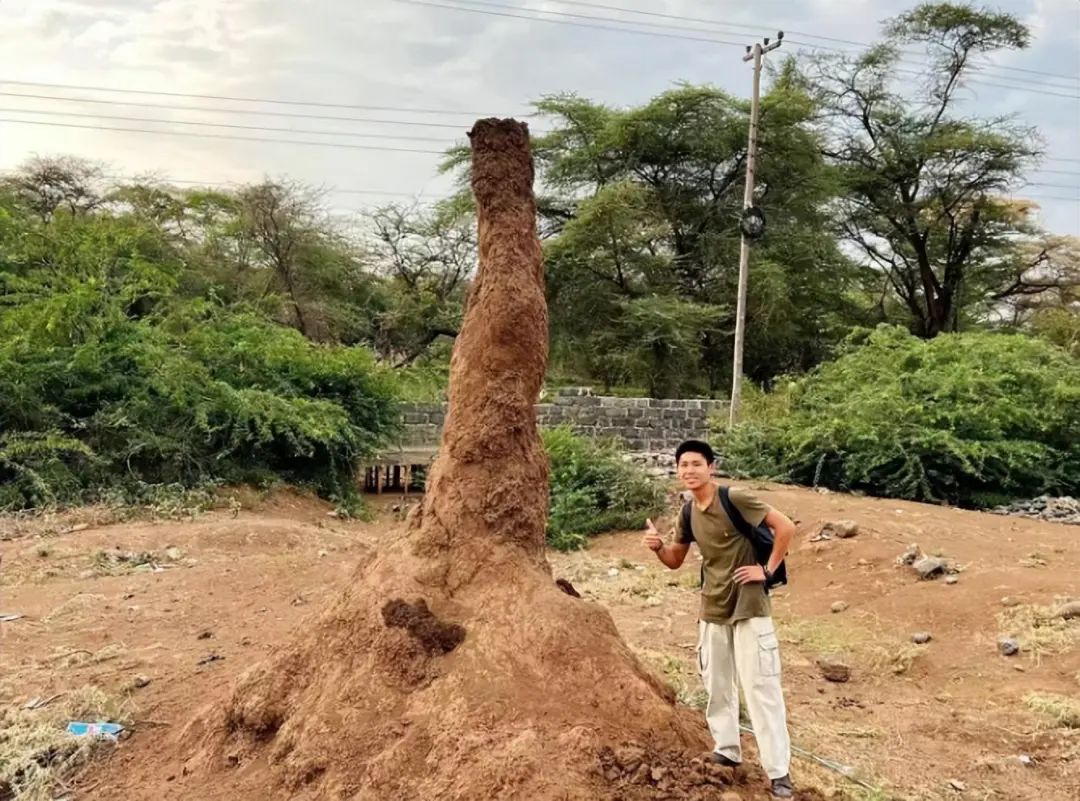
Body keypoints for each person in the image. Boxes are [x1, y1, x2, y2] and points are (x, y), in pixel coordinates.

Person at [642, 439, 796, 799]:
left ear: (711, 467)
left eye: (696, 464)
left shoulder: (735, 499)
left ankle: (779, 773)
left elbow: (784, 527)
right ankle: (727, 751)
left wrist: (767, 571)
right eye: (683, 465)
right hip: (712, 608)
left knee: (761, 688)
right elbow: (675, 560)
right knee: (718, 684)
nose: (689, 471)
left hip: (749, 606)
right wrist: (658, 547)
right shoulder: (687, 513)